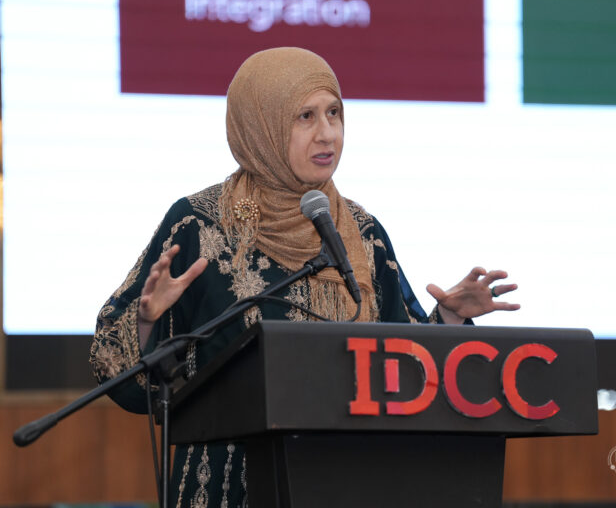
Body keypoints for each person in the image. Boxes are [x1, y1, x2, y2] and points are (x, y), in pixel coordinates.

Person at [90, 47, 519, 508]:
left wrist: (449, 319)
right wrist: (147, 323)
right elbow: (116, 370)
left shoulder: (361, 232)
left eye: (334, 113)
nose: (327, 133)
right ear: (261, 125)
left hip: (346, 479)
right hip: (228, 483)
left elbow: (404, 361)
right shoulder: (200, 225)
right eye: (305, 117)